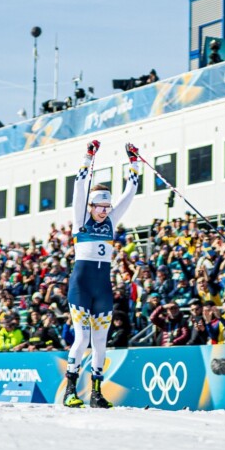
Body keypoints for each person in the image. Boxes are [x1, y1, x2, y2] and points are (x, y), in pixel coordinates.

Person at [63, 140, 141, 409]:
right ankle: (70, 391)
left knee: (100, 343)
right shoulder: (81, 220)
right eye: (100, 207)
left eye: (108, 207)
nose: (105, 211)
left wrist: (134, 162)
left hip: (103, 290)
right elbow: (79, 186)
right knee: (82, 339)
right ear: (91, 206)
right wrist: (88, 157)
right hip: (81, 288)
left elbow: (130, 191)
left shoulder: (111, 222)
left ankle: (96, 394)